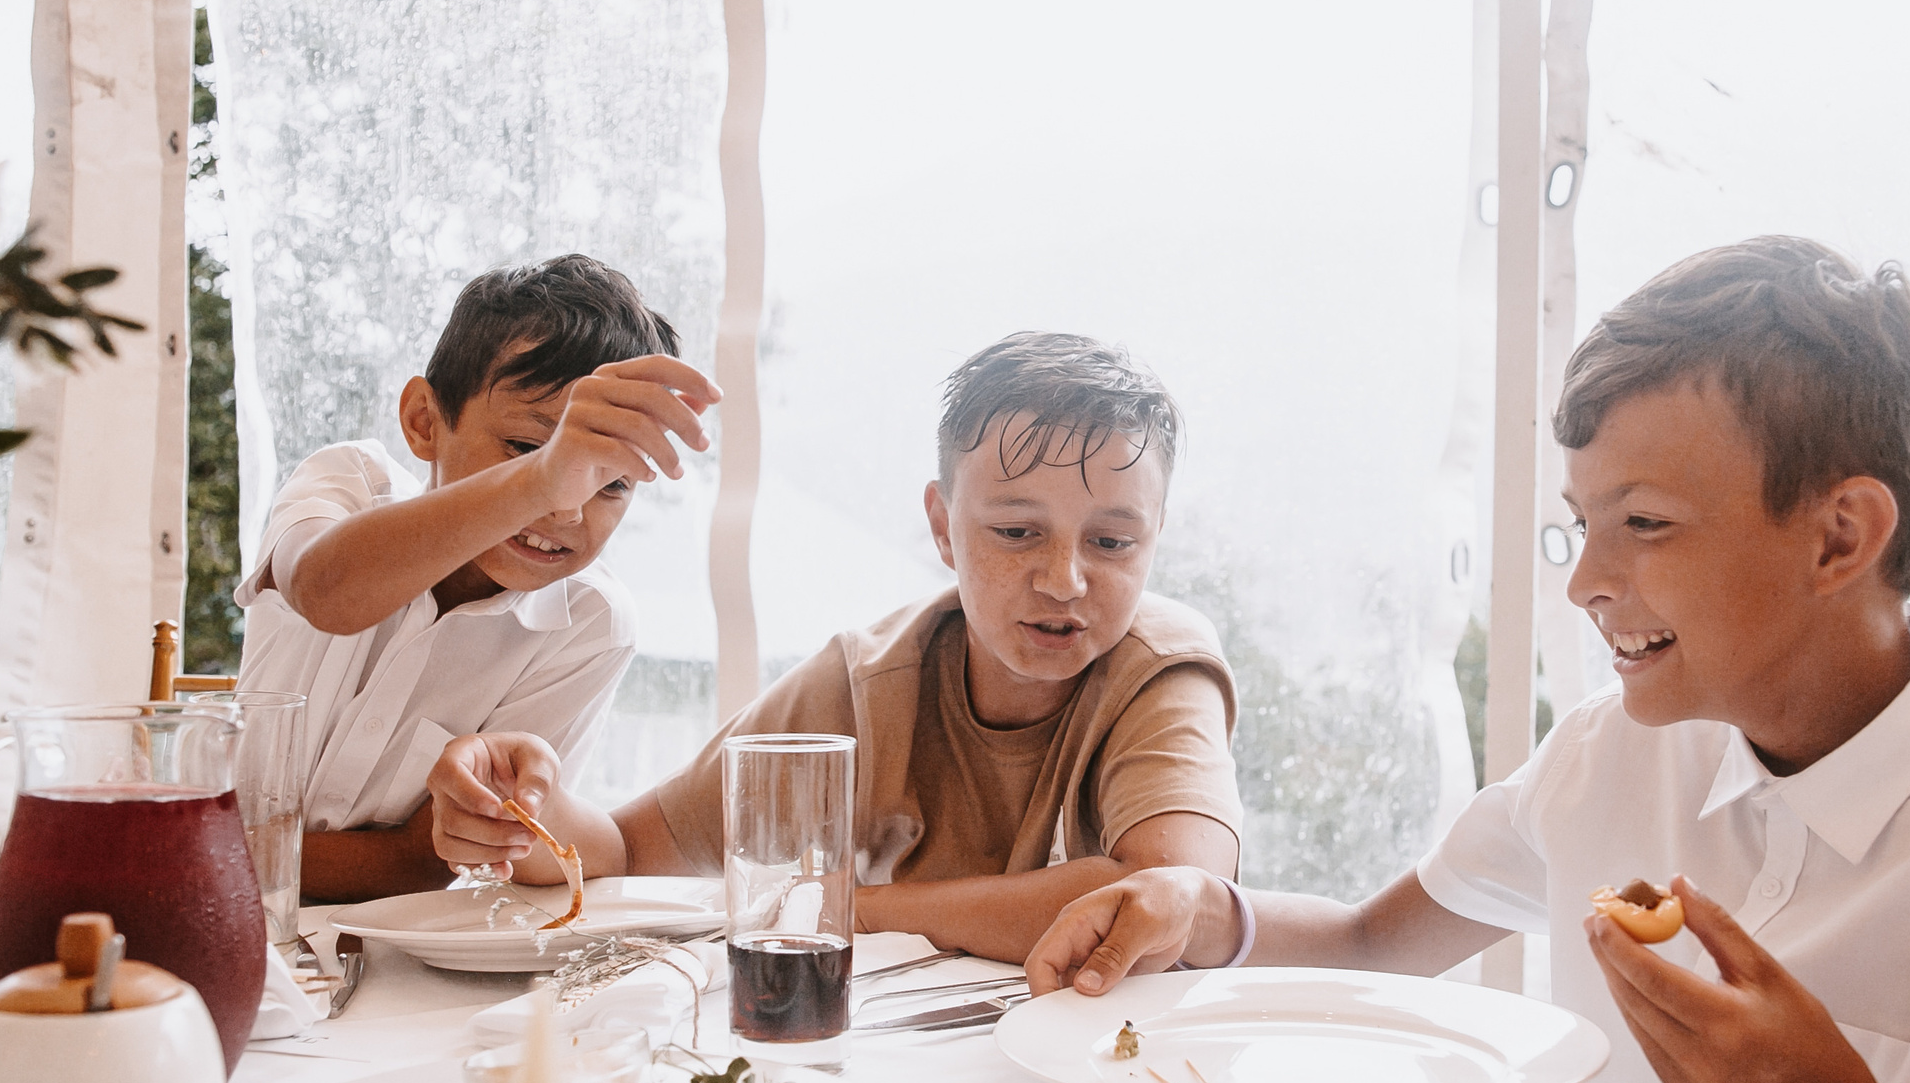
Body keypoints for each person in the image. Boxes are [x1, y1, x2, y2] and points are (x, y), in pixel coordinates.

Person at [1025, 238, 1910, 1083]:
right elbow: (1366, 942)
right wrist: (1200, 909)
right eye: (1582, 522)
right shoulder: (1618, 749)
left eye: (1644, 524)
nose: (1582, 580)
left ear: (1839, 534)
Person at [427, 331, 1245, 962]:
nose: (1064, 579)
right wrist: (523, 813)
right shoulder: (868, 679)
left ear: (1156, 538)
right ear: (942, 526)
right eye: (1018, 531)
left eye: (1111, 543)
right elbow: (634, 850)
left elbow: (1164, 893)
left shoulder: (1161, 667)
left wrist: (850, 907)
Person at [234, 253, 718, 903]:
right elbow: (326, 590)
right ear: (425, 422)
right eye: (528, 449)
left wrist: (210, 854)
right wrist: (543, 476)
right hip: (197, 909)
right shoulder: (348, 482)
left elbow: (428, 860)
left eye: (612, 483)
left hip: (388, 950)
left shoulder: (592, 625)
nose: (567, 507)